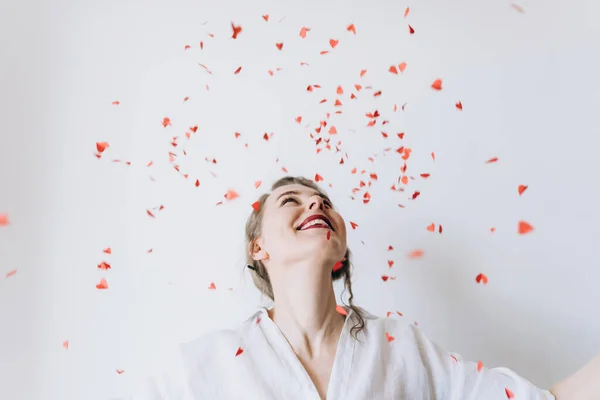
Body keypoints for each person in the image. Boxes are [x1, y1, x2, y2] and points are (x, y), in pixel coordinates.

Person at [135, 176, 600, 399]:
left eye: (322, 200)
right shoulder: (202, 367)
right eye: (290, 200)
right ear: (258, 247)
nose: (315, 201)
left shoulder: (398, 347)